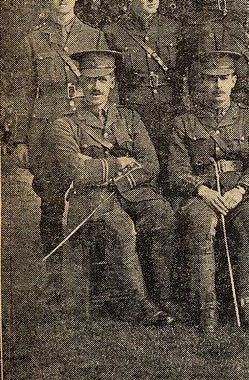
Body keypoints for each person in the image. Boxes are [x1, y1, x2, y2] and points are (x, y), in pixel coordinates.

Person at [47, 49, 177, 325]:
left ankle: (165, 297)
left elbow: (150, 163)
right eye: (91, 80)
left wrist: (110, 174)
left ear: (112, 82)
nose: (96, 87)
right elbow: (77, 171)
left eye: (103, 79)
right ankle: (141, 305)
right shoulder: (65, 124)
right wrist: (120, 162)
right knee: (122, 227)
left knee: (162, 213)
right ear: (80, 83)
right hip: (90, 198)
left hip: (127, 190)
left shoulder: (129, 118)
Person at [168, 50, 249, 332]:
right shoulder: (184, 123)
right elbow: (176, 171)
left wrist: (240, 189)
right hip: (201, 195)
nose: (218, 86)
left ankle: (247, 302)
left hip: (240, 192)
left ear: (234, 81)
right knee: (201, 223)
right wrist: (201, 190)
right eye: (211, 79)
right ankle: (207, 306)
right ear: (201, 82)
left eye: (224, 78)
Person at [8, 0, 108, 251]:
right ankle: (52, 264)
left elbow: (104, 84)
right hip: (47, 126)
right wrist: (20, 140)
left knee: (90, 188)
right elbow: (24, 92)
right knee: (51, 197)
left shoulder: (94, 36)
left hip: (84, 124)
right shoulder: (34, 39)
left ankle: (91, 262)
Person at [102, 0, 183, 176]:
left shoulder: (173, 28)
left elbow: (182, 75)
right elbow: (111, 81)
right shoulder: (113, 32)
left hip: (168, 110)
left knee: (171, 169)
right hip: (135, 112)